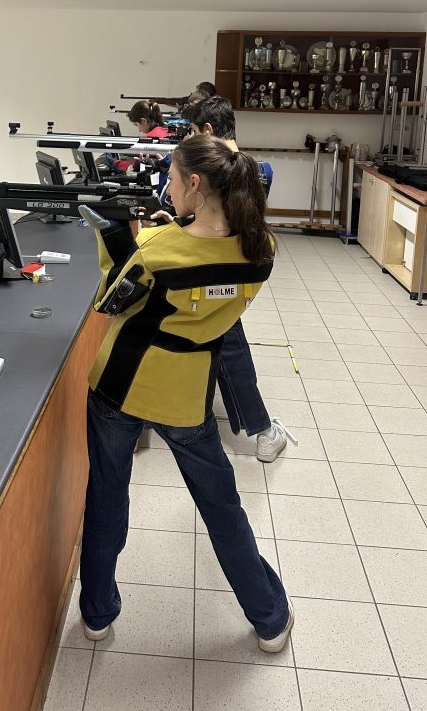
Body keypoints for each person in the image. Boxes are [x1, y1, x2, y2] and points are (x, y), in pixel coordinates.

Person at [77, 135, 294, 652]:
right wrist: (175, 230)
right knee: (222, 508)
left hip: (122, 386)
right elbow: (202, 282)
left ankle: (98, 614)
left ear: (195, 185)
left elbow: (112, 300)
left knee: (107, 496)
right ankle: (268, 618)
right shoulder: (261, 250)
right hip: (187, 390)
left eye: (172, 180)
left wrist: (113, 234)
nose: (167, 189)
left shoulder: (158, 250)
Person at [188, 95, 296, 462]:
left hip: (213, 271)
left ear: (208, 131)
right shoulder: (257, 169)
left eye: (193, 132)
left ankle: (263, 430)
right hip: (239, 270)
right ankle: (260, 429)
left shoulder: (214, 174)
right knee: (221, 340)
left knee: (226, 343)